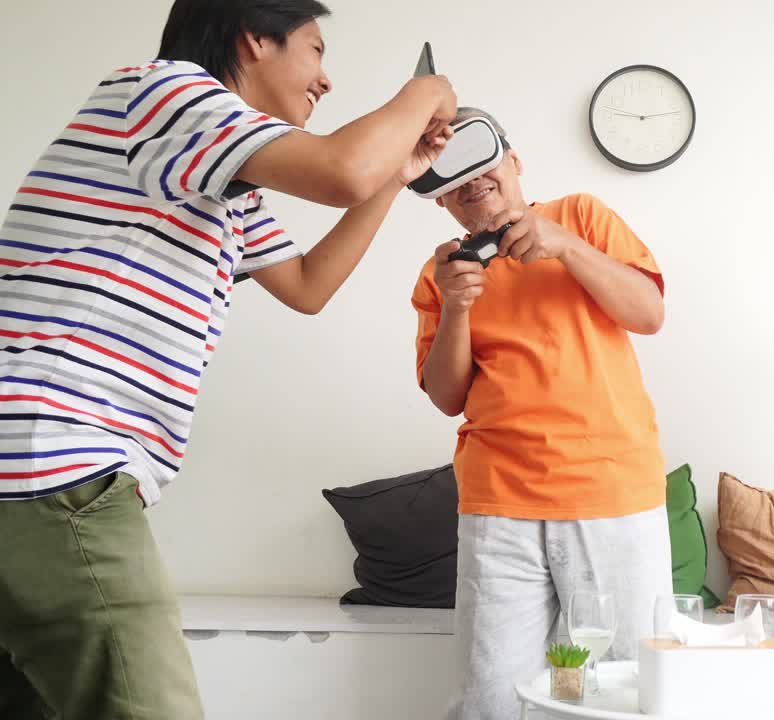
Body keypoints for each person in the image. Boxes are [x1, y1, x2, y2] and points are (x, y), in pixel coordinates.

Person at [0, 2, 457, 717]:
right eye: (313, 49)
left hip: (37, 475)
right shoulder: (165, 93)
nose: (325, 79)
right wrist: (429, 91)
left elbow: (309, 286)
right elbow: (341, 169)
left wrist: (398, 175)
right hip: (55, 465)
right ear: (254, 39)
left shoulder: (217, 187)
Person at [411, 107, 672, 720]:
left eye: (484, 160)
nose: (473, 180)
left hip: (614, 492)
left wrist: (567, 247)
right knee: (490, 701)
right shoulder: (442, 272)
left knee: (628, 694)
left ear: (515, 160)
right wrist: (455, 309)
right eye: (454, 176)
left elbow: (649, 314)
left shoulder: (582, 215)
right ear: (440, 197)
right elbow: (447, 396)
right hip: (499, 503)